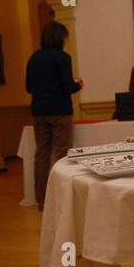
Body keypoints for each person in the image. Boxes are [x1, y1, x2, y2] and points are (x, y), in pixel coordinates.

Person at [26, 22, 83, 211]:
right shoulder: (62, 58)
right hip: (59, 110)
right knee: (62, 153)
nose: (66, 40)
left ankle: (42, 200)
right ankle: (62, 198)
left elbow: (28, 87)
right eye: (65, 37)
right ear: (60, 38)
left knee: (41, 154)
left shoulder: (34, 58)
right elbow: (68, 86)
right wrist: (78, 84)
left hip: (39, 111)